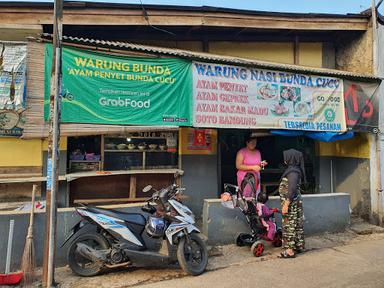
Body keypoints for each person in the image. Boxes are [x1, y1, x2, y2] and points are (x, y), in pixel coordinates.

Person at [279, 149, 306, 258]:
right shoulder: (294, 170)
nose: (284, 160)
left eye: (286, 157)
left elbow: (292, 188)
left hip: (291, 203)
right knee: (296, 223)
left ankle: (289, 250)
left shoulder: (293, 172)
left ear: (290, 159)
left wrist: (286, 203)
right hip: (294, 202)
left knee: (289, 223)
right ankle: (297, 246)